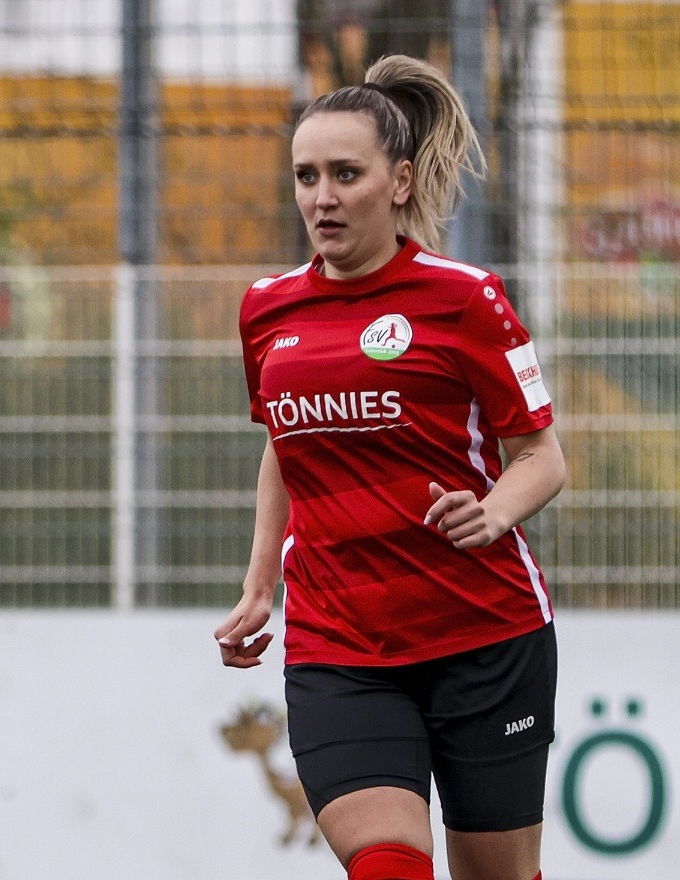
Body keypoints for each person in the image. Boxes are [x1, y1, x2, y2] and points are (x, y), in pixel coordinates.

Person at [214, 54, 565, 880]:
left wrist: (494, 511)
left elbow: (541, 456)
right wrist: (259, 586)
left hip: (484, 636)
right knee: (387, 868)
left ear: (400, 180)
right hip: (341, 644)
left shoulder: (466, 297)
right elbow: (284, 447)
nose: (321, 197)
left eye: (345, 174)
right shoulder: (267, 309)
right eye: (306, 176)